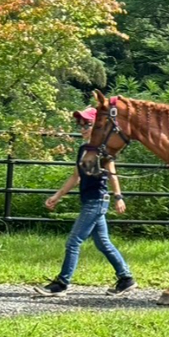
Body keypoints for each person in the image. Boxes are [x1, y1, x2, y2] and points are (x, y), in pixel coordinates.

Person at [32, 107, 136, 296]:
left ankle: (62, 284)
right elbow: (75, 177)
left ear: (97, 126)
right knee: (103, 243)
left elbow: (112, 175)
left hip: (97, 201)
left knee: (73, 242)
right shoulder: (83, 150)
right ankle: (126, 279)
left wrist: (118, 197)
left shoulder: (103, 150)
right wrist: (57, 196)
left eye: (87, 124)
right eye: (80, 125)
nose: (82, 128)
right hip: (89, 200)